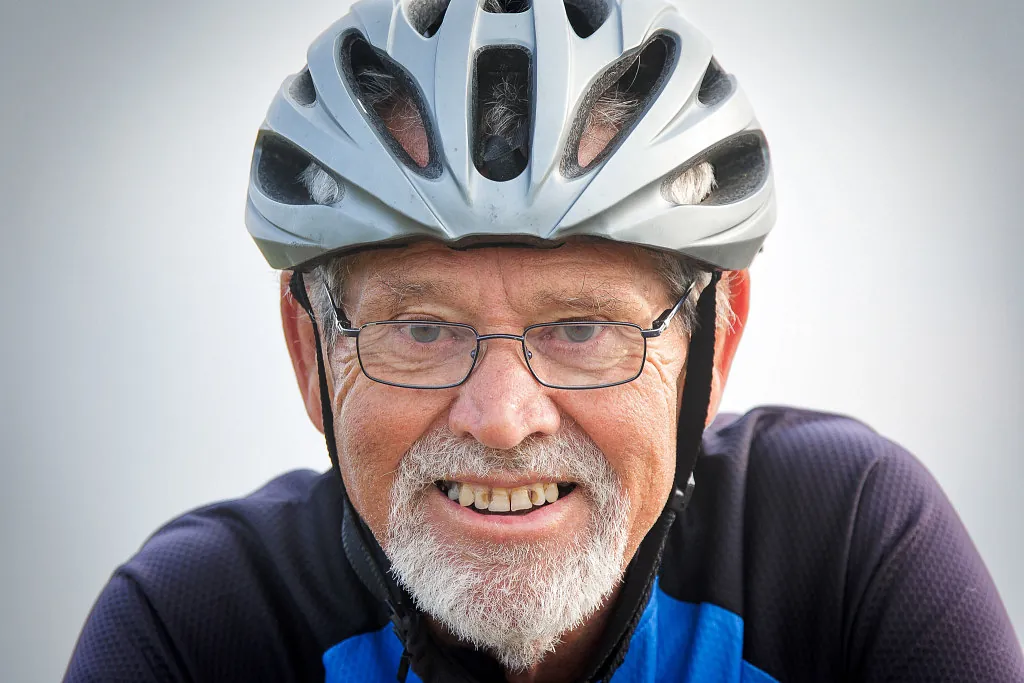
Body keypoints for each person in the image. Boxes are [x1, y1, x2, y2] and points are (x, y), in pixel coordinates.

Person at [64, 1, 1023, 681]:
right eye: (421, 327)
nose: (501, 419)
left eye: (582, 326)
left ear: (714, 345)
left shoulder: (844, 546)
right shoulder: (197, 627)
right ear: (308, 352)